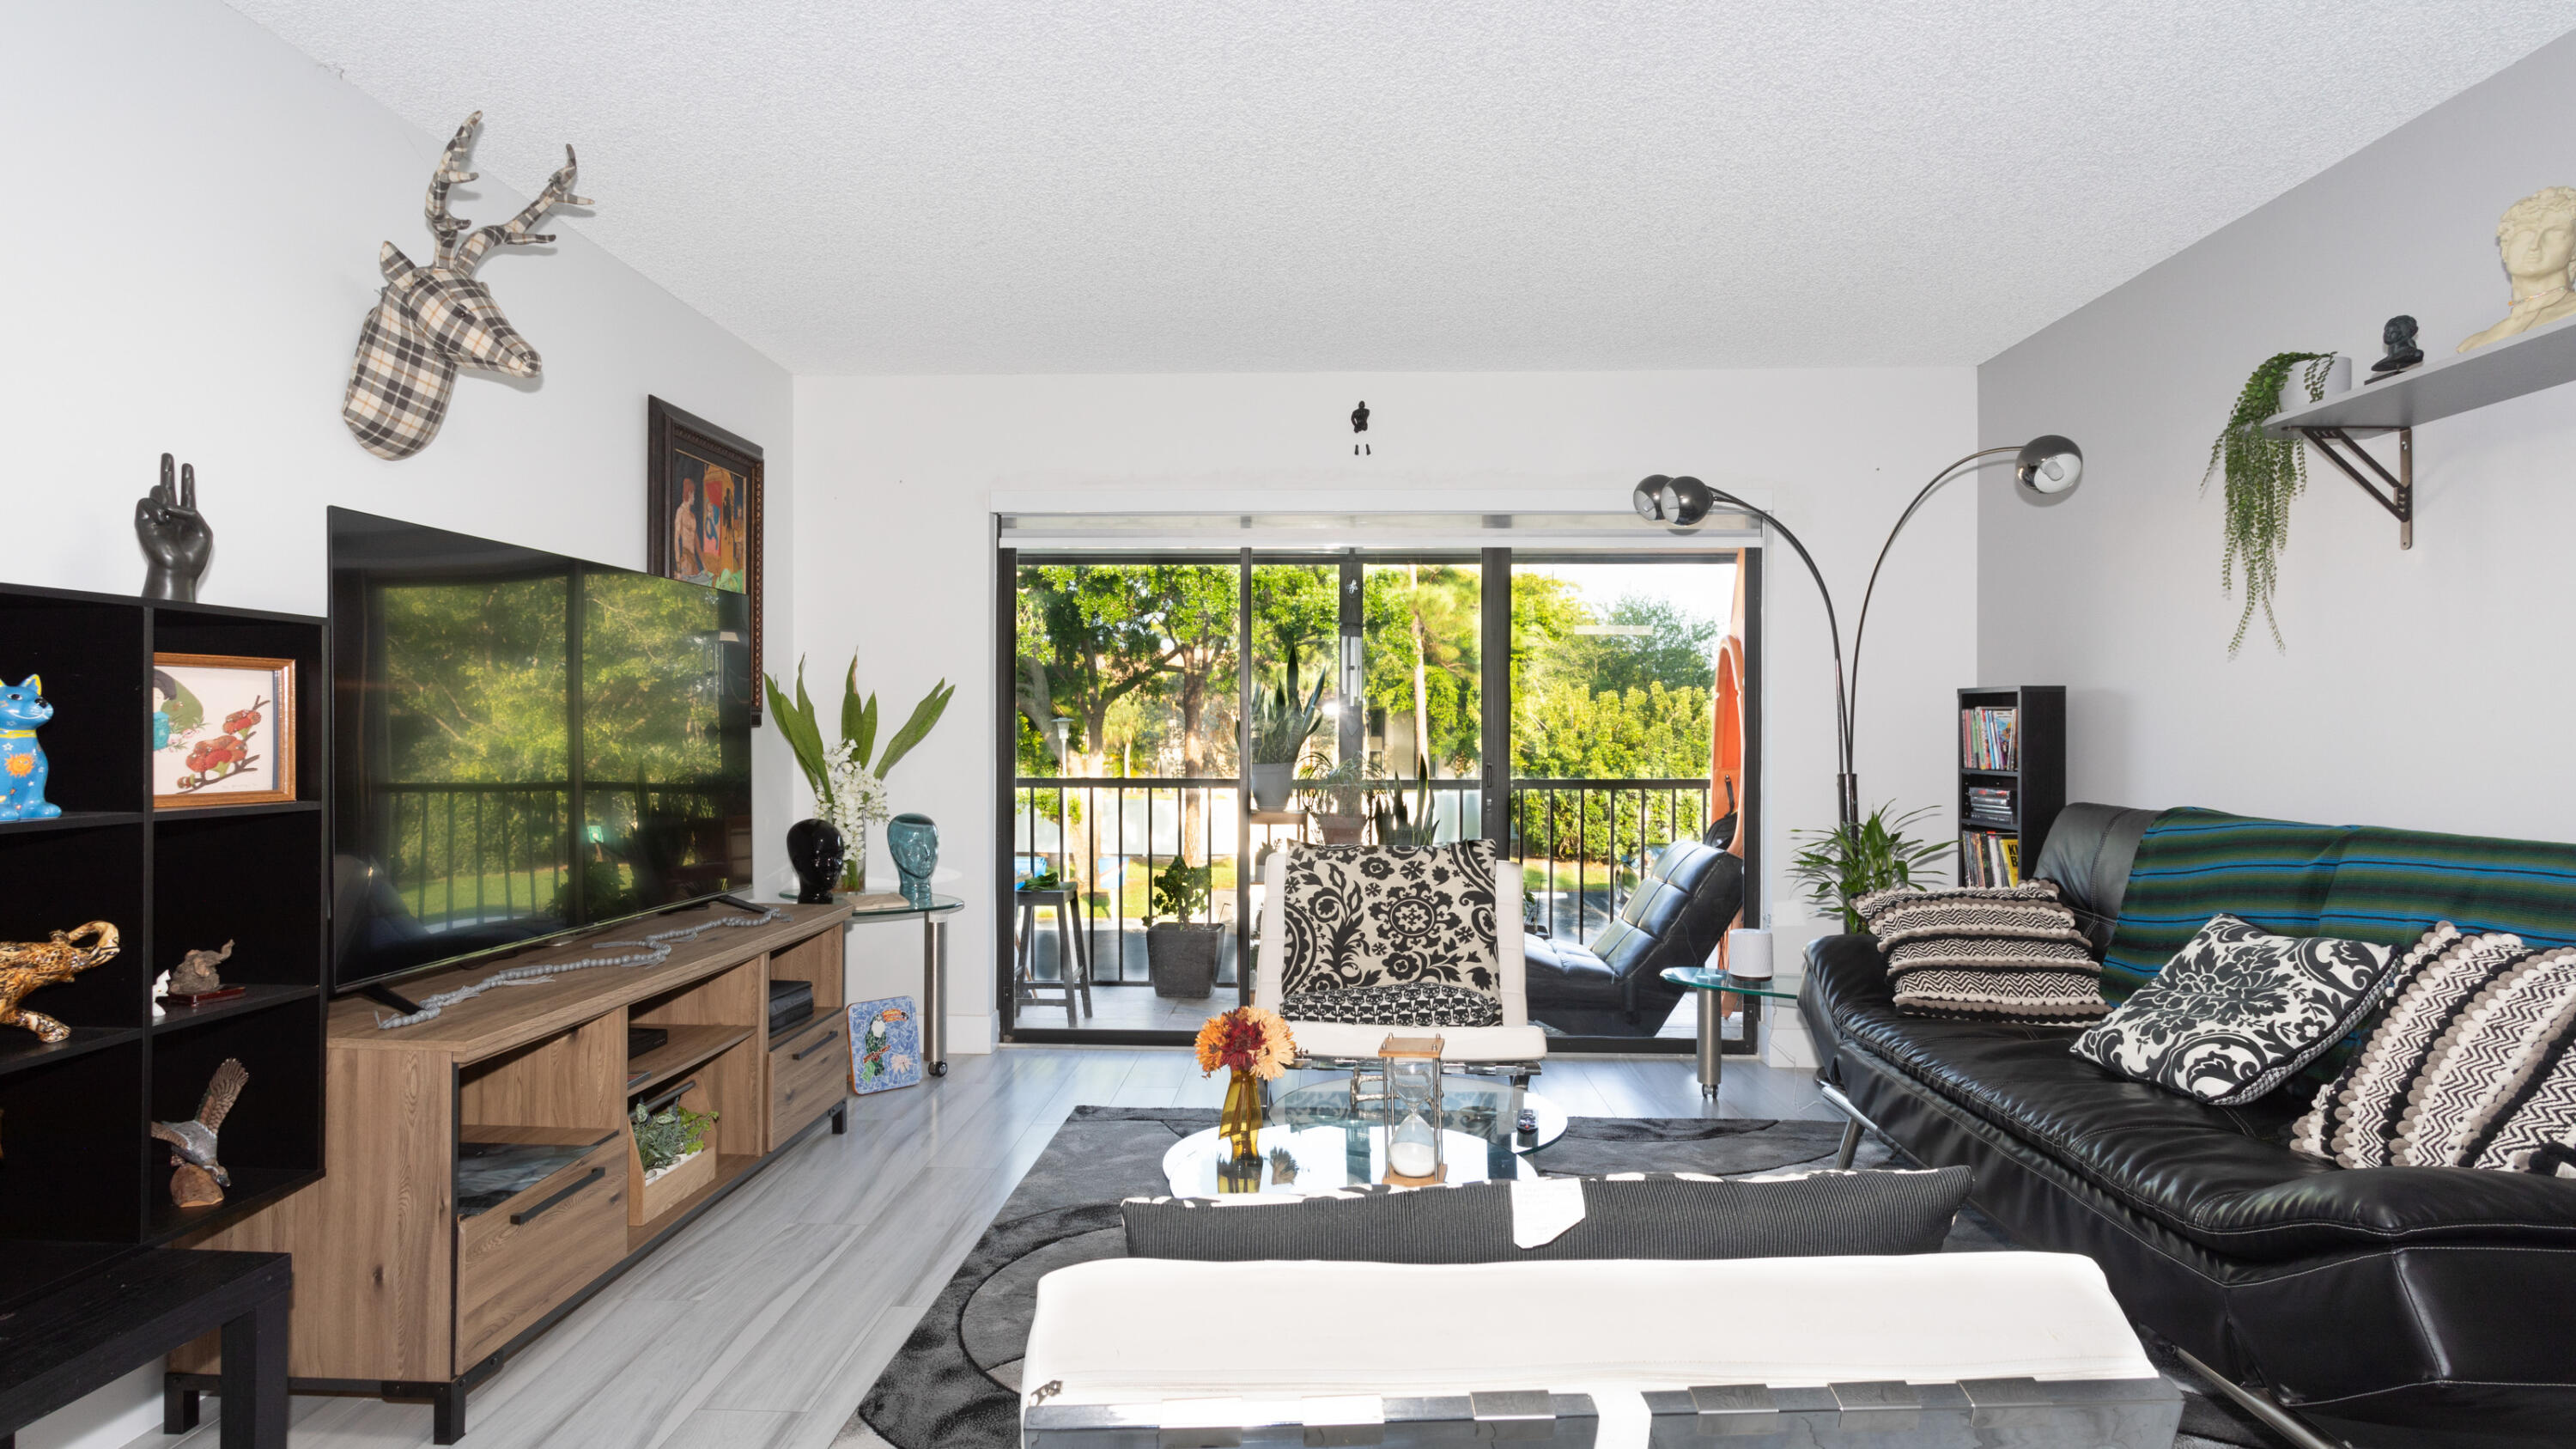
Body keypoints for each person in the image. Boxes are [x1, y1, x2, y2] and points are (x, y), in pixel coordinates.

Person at [2458, 186, 2576, 351]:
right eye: (2525, 233)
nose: (2535, 245)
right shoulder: (2474, 345)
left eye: (2554, 234)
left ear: (2573, 249)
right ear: (2506, 246)